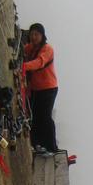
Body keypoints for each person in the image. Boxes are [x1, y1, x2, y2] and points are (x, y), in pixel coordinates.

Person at [23, 22, 58, 154]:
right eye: (32, 34)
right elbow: (21, 51)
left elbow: (40, 62)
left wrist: (24, 66)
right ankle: (36, 144)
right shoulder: (30, 48)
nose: (34, 37)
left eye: (36, 34)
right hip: (35, 89)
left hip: (49, 88)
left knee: (45, 116)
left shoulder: (47, 49)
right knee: (35, 116)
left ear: (42, 36)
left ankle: (51, 147)